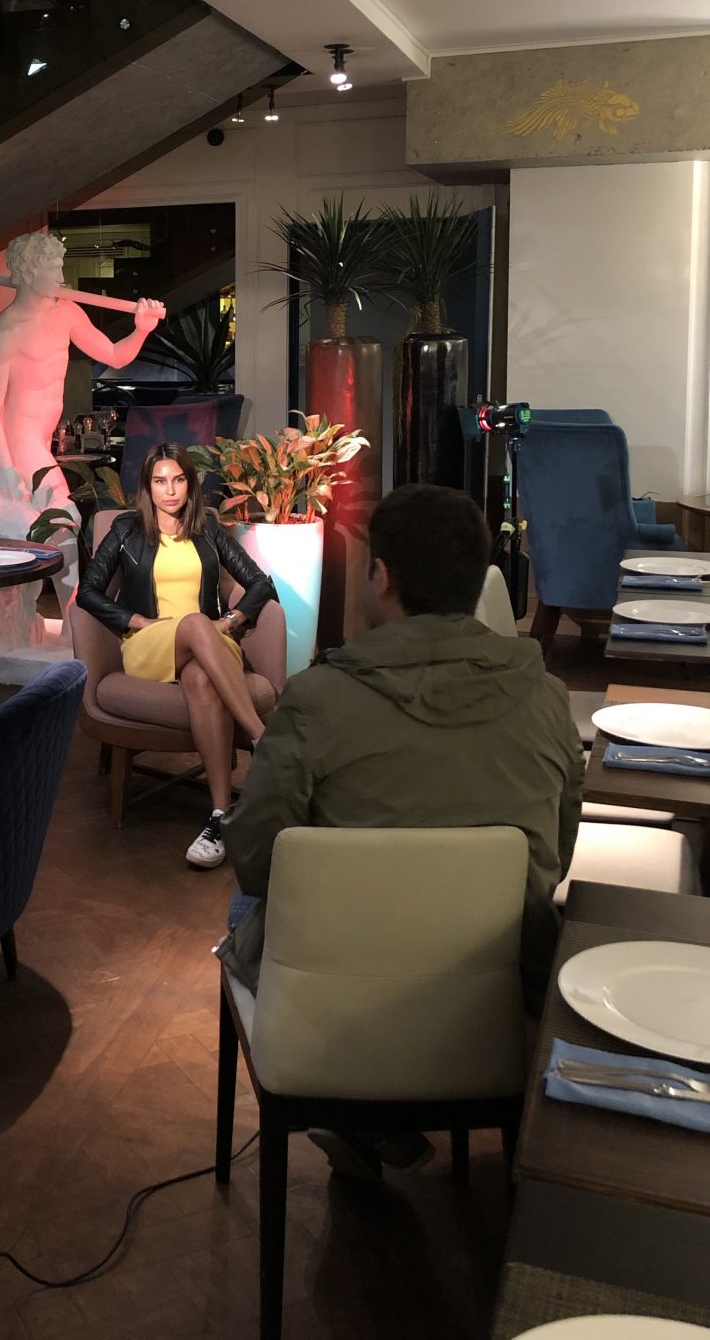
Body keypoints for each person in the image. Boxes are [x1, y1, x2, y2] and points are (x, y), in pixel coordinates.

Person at [219, 482, 583, 1181]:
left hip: (340, 991)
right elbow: (557, 853)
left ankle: (356, 1107)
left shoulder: (317, 699)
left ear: (382, 576)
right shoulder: (546, 697)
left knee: (248, 908)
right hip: (496, 993)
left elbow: (257, 861)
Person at [77, 443, 277, 867]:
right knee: (193, 623)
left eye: (179, 480)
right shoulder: (126, 530)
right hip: (150, 643)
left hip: (208, 643)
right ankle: (262, 737)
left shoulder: (207, 528)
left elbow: (260, 582)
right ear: (147, 487)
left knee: (201, 672)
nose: (170, 490)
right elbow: (88, 591)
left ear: (190, 484)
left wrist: (230, 620)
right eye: (160, 481)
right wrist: (135, 620)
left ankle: (220, 817)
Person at [0, 231, 164, 540]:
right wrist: (6, 467)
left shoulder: (67, 312)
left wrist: (141, 330)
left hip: (43, 438)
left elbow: (115, 356)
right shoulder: (5, 332)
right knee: (63, 521)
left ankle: (30, 565)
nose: (62, 278)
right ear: (29, 273)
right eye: (54, 270)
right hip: (19, 438)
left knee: (35, 526)